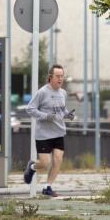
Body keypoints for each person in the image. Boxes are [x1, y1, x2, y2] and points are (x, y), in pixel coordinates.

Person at [23, 64, 74, 197]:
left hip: (59, 132)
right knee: (45, 163)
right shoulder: (42, 92)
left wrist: (68, 114)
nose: (60, 79)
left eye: (62, 76)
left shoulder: (63, 93)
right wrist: (46, 116)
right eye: (58, 76)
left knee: (58, 160)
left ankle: (48, 187)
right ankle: (32, 167)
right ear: (50, 77)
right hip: (44, 134)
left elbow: (62, 110)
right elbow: (30, 109)